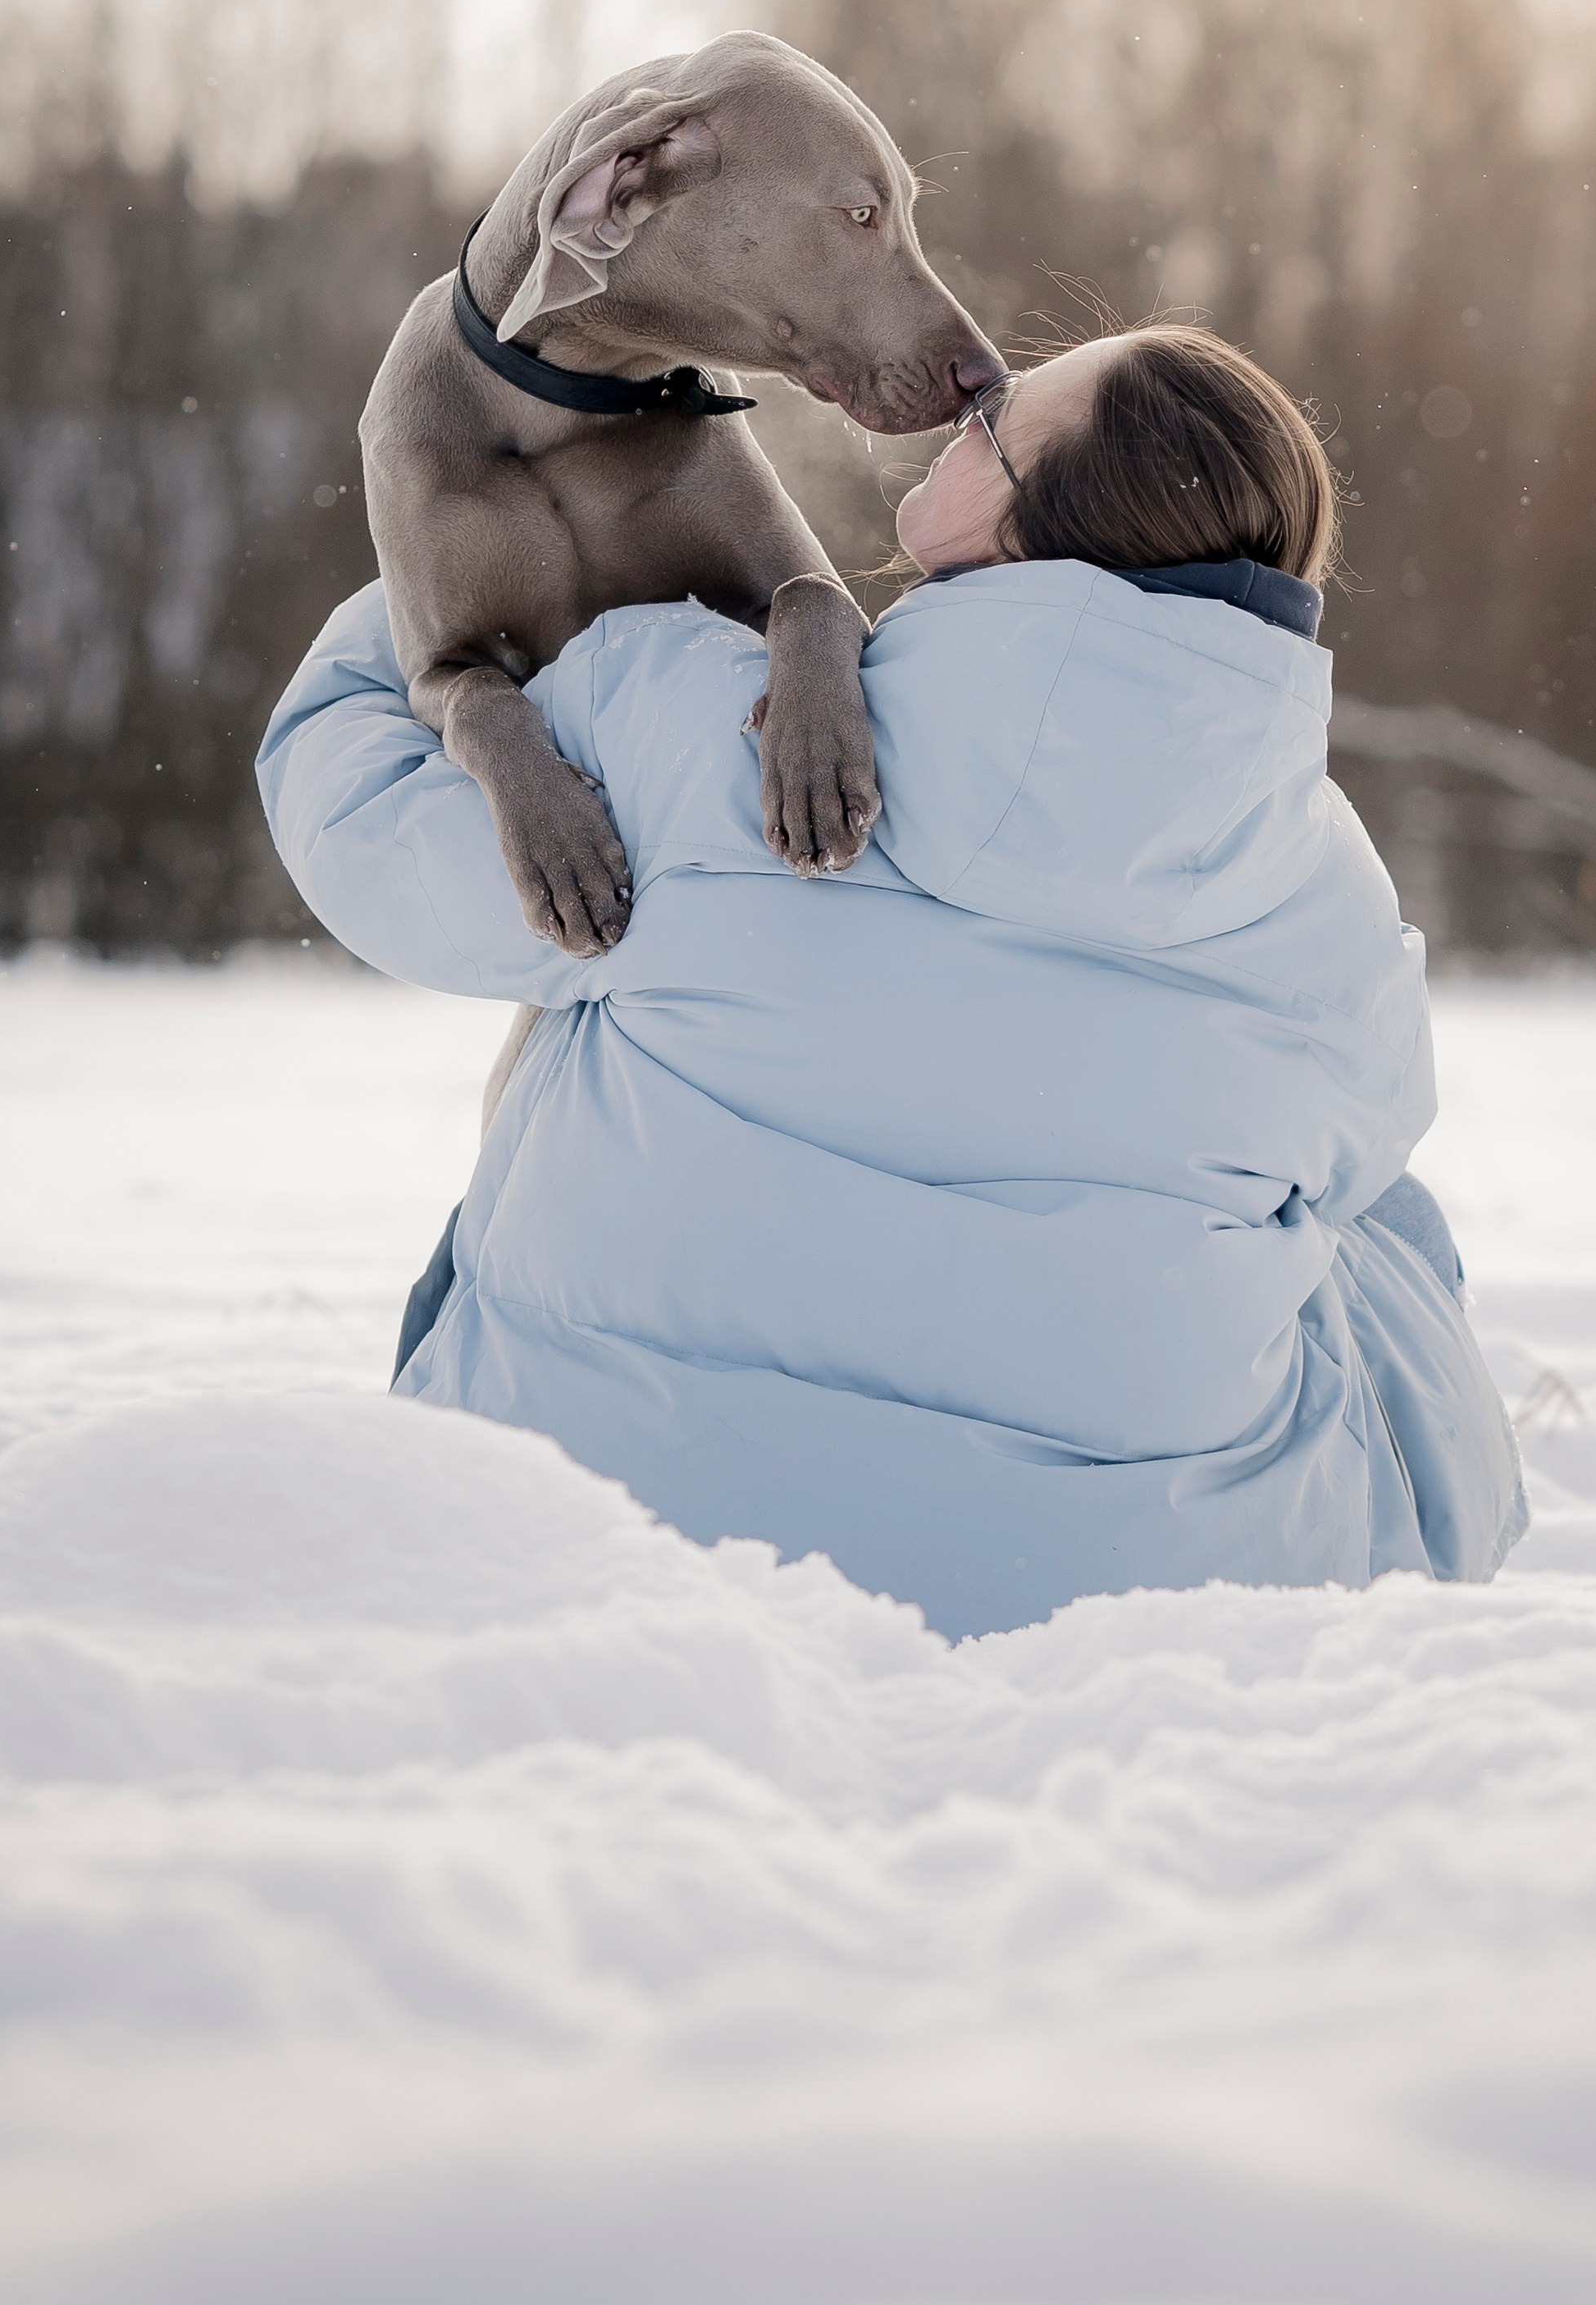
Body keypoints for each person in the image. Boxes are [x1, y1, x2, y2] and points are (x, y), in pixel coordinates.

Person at [258, 323, 1525, 1636]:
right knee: (1374, 1223)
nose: (972, 389)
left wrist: (442, 594)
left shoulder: (692, 720)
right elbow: (1368, 1154)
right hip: (1135, 1591)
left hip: (601, 1526)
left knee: (587, 1020)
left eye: (1001, 419)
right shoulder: (1324, 894)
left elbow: (357, 820)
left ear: (1029, 531)